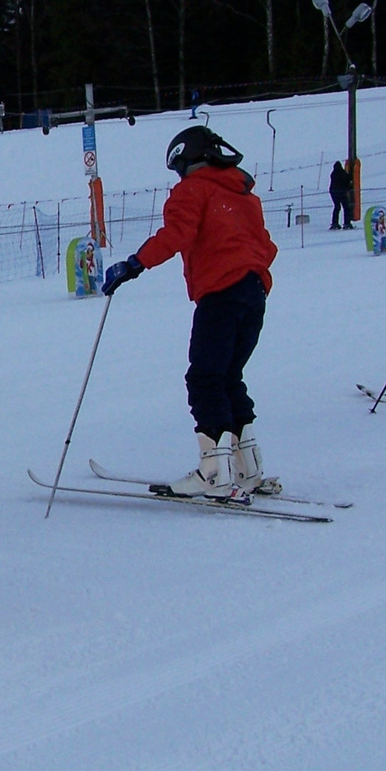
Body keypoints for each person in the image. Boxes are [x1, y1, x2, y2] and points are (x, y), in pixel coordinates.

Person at [101, 126, 278, 500]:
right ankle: (247, 467)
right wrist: (253, 272)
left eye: (179, 166)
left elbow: (176, 234)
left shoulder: (193, 190)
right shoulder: (244, 194)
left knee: (204, 378)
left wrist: (134, 264)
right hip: (253, 292)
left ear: (188, 159)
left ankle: (214, 473)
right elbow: (266, 245)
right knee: (229, 375)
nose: (179, 175)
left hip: (221, 292)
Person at [329, 160, 354, 230]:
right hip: (342, 192)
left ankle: (335, 223)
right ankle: (347, 223)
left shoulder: (332, 174)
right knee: (346, 207)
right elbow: (348, 179)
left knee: (337, 207)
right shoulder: (342, 173)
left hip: (333, 192)